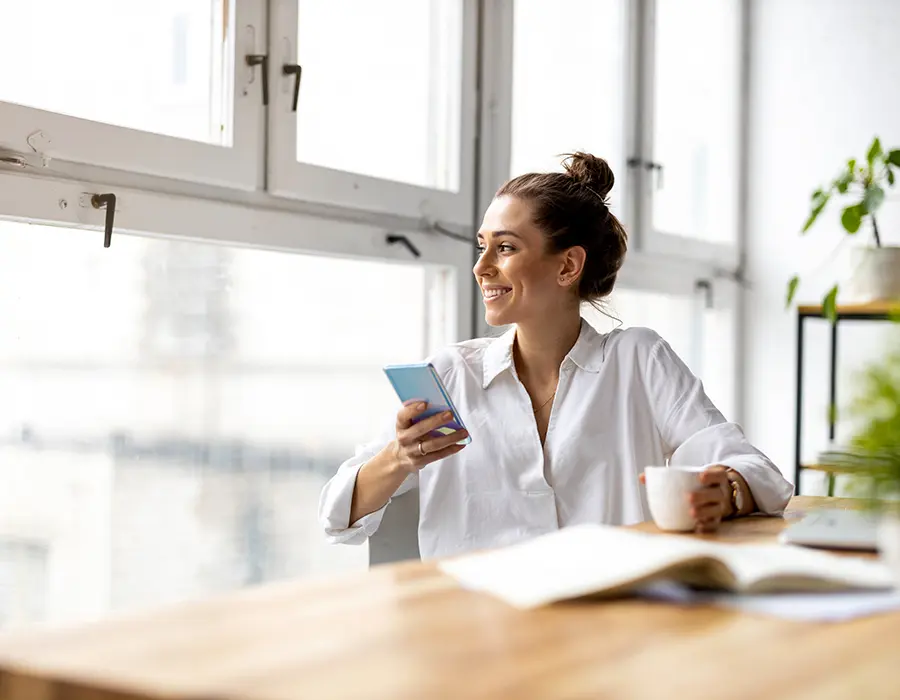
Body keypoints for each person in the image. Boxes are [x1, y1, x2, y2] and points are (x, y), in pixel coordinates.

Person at [319, 152, 793, 559]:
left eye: (505, 248)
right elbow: (337, 512)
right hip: (475, 631)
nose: (481, 267)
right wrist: (399, 458)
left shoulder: (638, 360)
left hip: (607, 623)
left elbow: (758, 473)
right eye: (482, 246)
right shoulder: (451, 376)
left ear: (568, 265)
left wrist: (726, 492)